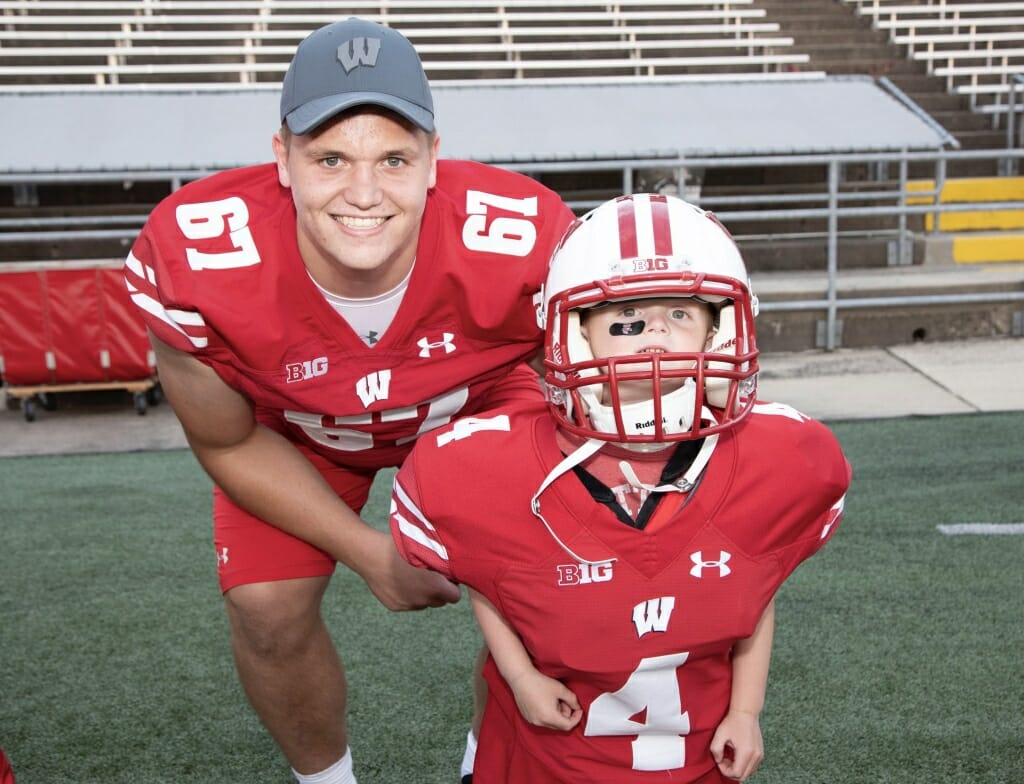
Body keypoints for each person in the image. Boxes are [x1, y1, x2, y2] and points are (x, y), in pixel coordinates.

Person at [123, 17, 575, 784]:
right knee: (265, 608)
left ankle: (486, 765)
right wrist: (372, 555)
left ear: (435, 161)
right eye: (329, 157)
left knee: (557, 583)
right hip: (296, 429)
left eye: (393, 158)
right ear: (282, 160)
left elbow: (576, 398)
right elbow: (228, 443)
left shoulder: (526, 237)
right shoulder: (195, 259)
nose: (362, 193)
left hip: (478, 406)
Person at [390, 193, 852, 783]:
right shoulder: (483, 469)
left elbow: (755, 589)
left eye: (681, 315)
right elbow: (495, 578)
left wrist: (747, 710)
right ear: (574, 337)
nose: (655, 332)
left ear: (721, 333)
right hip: (545, 763)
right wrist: (520, 675)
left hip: (697, 761)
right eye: (626, 321)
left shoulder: (783, 461)